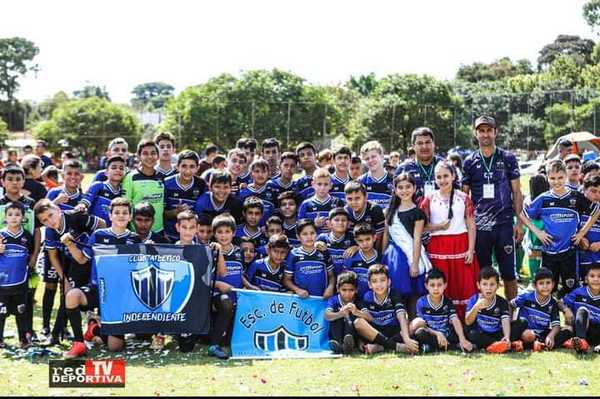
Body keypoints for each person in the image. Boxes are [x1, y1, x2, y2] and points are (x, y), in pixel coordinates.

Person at [62, 198, 142, 357]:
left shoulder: (135, 239)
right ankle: (78, 343)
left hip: (119, 296)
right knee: (72, 296)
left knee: (115, 348)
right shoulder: (98, 235)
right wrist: (70, 244)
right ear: (110, 216)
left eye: (125, 213)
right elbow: (82, 259)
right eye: (117, 212)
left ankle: (95, 328)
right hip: (98, 289)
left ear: (130, 216)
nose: (121, 216)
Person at [461, 115, 524, 302]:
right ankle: (487, 313)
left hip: (504, 225)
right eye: (481, 130)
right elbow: (465, 197)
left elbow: (517, 192)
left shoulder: (508, 158)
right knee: (484, 276)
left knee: (509, 274)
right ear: (476, 133)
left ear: (495, 132)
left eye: (489, 130)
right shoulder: (469, 161)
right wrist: (467, 227)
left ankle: (512, 314)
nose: (485, 134)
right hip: (480, 228)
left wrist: (519, 223)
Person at [33, 199, 105, 351]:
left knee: (98, 297)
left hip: (94, 262)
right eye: (44, 220)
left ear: (58, 210)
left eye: (51, 215)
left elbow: (102, 225)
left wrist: (93, 246)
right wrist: (64, 279)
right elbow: (53, 256)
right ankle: (61, 336)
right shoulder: (51, 231)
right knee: (68, 297)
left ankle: (98, 329)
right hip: (74, 263)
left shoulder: (75, 216)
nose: (50, 221)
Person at [520, 159, 599, 297]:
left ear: (566, 177)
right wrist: (538, 233)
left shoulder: (576, 197)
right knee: (547, 289)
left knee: (571, 289)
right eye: (552, 178)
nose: (557, 181)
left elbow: (596, 211)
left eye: (560, 177)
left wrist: (581, 234)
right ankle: (550, 315)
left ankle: (571, 317)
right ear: (547, 179)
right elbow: (522, 214)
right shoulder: (543, 198)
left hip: (570, 251)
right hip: (549, 252)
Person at [421, 161, 478, 320]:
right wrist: (438, 226)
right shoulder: (429, 199)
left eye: (446, 176)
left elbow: (471, 225)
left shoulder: (463, 198)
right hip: (438, 247)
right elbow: (422, 227)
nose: (442, 180)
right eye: (438, 177)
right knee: (440, 284)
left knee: (462, 283)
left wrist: (471, 248)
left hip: (461, 245)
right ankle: (441, 319)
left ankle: (465, 320)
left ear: (453, 176)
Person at [382, 173, 431, 317]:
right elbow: (386, 234)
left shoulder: (418, 213)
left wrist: (415, 264)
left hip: (410, 257)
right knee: (396, 293)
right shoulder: (389, 211)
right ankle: (398, 326)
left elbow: (417, 239)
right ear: (395, 190)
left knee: (414, 293)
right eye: (400, 187)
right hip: (393, 258)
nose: (404, 191)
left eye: (408, 187)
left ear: (414, 188)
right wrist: (383, 254)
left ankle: (414, 324)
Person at [353, 264, 419, 354]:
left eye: (382, 280)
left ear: (389, 282)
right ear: (369, 284)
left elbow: (401, 317)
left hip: (394, 331)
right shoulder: (367, 297)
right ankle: (397, 347)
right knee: (358, 322)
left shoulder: (395, 294)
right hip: (376, 334)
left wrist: (406, 339)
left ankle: (380, 347)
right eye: (374, 281)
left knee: (418, 322)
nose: (379, 284)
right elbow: (368, 318)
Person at [410, 269, 473, 353]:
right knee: (420, 333)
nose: (436, 288)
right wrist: (437, 334)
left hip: (446, 334)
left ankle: (433, 347)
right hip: (431, 333)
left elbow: (455, 319)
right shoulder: (421, 302)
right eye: (432, 285)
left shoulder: (448, 301)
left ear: (445, 285)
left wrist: (462, 339)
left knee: (464, 330)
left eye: (439, 285)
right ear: (426, 286)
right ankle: (451, 347)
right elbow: (422, 324)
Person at [509, 268, 573, 352]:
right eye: (541, 283)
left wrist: (551, 336)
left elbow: (556, 325)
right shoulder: (525, 296)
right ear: (535, 285)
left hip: (541, 333)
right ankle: (514, 342)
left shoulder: (553, 303)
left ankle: (540, 344)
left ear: (553, 284)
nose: (545, 286)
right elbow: (510, 305)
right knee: (527, 332)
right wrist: (510, 319)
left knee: (568, 330)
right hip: (525, 331)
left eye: (548, 283)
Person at [465, 267, 526, 354]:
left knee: (522, 322)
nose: (488, 288)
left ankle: (501, 344)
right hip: (482, 334)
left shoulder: (502, 302)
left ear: (497, 286)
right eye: (485, 284)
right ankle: (499, 345)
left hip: (498, 334)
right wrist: (476, 307)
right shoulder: (473, 299)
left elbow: (505, 321)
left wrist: (507, 337)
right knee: (471, 333)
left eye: (492, 284)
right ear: (478, 285)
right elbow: (468, 322)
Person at [0, 202, 35, 348]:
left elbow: (31, 254)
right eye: (10, 215)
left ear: (23, 217)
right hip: (2, 283)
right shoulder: (1, 235)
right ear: (5, 217)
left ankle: (23, 339)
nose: (13, 218)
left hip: (20, 282)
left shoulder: (26, 236)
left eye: (17, 214)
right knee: (1, 312)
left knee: (21, 311)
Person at [210, 213, 243, 359]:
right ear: (214, 234)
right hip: (217, 296)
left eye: (227, 232)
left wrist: (249, 285)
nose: (223, 236)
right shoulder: (210, 250)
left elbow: (240, 273)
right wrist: (217, 284)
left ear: (234, 233)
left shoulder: (239, 251)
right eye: (220, 232)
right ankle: (213, 345)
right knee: (226, 302)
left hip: (237, 296)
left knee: (230, 339)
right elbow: (222, 274)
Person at [283, 219, 335, 298]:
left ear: (316, 234)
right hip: (301, 300)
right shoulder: (293, 254)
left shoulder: (323, 252)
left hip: (321, 299)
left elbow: (331, 275)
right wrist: (297, 290)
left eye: (312, 233)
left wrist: (330, 288)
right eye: (305, 234)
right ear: (298, 237)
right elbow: (286, 279)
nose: (309, 237)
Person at [163, 150, 207, 242]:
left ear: (197, 168)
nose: (188, 170)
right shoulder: (166, 183)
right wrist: (175, 212)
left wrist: (190, 213)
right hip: (169, 234)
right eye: (184, 166)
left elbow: (202, 212)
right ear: (177, 167)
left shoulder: (201, 184)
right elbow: (161, 213)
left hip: (191, 236)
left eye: (192, 166)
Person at [122, 140, 165, 233]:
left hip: (158, 231)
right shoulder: (130, 177)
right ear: (139, 156)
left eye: (153, 153)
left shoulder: (162, 177)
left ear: (158, 156)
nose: (149, 156)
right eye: (145, 153)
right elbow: (125, 206)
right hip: (136, 231)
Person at [325, 271, 370, 355]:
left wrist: (356, 312)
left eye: (351, 290)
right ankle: (338, 344)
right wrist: (340, 313)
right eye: (344, 290)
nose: (347, 293)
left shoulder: (358, 301)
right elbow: (327, 315)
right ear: (338, 289)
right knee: (336, 318)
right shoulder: (334, 300)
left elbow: (369, 317)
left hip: (352, 333)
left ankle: (349, 344)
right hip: (337, 331)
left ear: (356, 290)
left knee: (351, 318)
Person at [396, 127, 445, 199]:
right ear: (413, 146)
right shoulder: (403, 169)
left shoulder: (445, 166)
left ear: (433, 144)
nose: (424, 146)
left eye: (428, 142)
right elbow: (395, 198)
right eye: (420, 143)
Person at [77, 155, 126, 226]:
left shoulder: (123, 191)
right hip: (94, 229)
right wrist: (82, 205)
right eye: (114, 167)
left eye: (121, 168)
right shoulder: (98, 186)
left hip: (113, 232)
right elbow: (87, 200)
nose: (118, 170)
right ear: (106, 172)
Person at [562, 263, 600, 353]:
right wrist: (566, 309)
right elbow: (560, 302)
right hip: (581, 328)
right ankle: (581, 342)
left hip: (597, 331)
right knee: (582, 311)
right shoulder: (578, 292)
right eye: (592, 276)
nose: (596, 279)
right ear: (586, 279)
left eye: (599, 276)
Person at [298, 168, 343, 235]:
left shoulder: (337, 202)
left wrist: (334, 227)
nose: (322, 188)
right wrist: (314, 225)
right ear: (313, 184)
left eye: (326, 184)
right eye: (319, 184)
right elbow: (300, 227)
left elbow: (344, 224)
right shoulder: (306, 204)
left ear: (330, 185)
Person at [522, 173, 549, 284]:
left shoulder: (528, 200)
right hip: (545, 227)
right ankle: (546, 279)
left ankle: (535, 279)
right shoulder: (548, 197)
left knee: (533, 254)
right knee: (546, 255)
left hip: (533, 229)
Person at [343, 223, 381, 299]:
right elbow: (345, 281)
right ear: (356, 241)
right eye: (360, 240)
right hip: (354, 300)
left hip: (374, 302)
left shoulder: (381, 258)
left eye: (368, 239)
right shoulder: (351, 257)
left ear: (374, 238)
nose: (365, 243)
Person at [316, 207, 355, 276]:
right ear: (329, 223)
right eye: (336, 220)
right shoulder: (322, 238)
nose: (340, 223)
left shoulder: (352, 238)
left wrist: (357, 247)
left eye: (343, 220)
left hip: (345, 278)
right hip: (327, 277)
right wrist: (315, 245)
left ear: (348, 224)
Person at [239, 159, 277, 225]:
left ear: (269, 173)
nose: (260, 174)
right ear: (251, 174)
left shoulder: (274, 192)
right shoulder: (243, 191)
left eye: (264, 171)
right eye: (257, 171)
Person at [359, 140, 393, 210]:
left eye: (373, 156)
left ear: (382, 156)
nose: (370, 160)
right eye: (367, 159)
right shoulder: (360, 182)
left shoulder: (394, 180)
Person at [578, 175, 600, 283]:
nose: (597, 195)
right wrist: (580, 239)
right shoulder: (576, 211)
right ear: (584, 190)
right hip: (581, 263)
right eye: (593, 191)